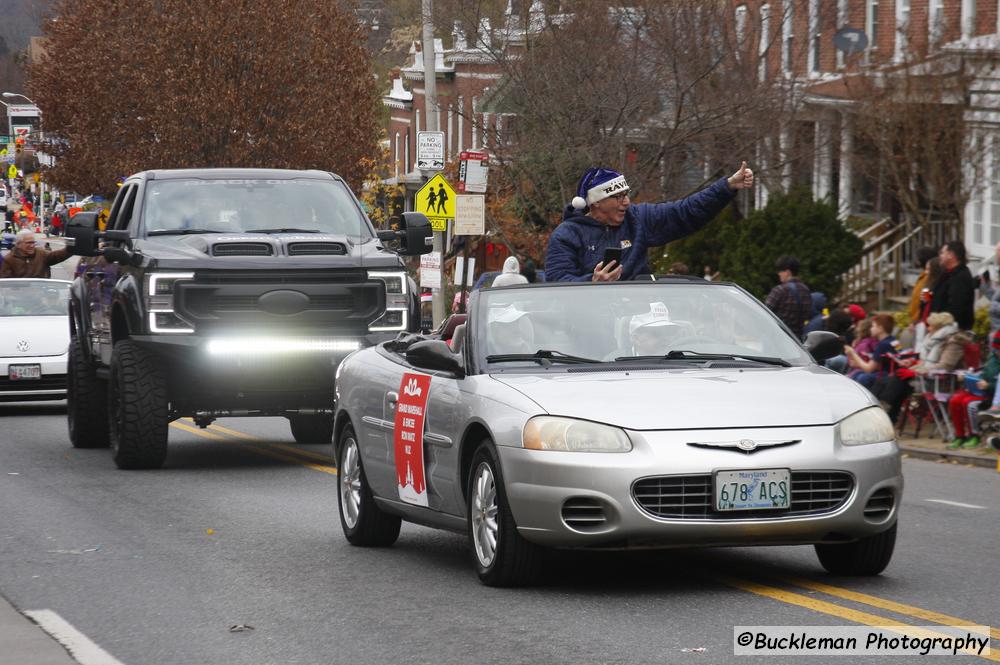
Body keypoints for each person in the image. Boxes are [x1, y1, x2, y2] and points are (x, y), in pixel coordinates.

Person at [545, 162, 753, 282]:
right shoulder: (566, 235)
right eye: (618, 197)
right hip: (588, 326)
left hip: (640, 321)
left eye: (627, 194)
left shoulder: (638, 218)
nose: (626, 202)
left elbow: (687, 211)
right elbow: (556, 285)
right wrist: (591, 282)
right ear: (596, 202)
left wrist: (727, 187)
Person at [946, 330, 1000, 449]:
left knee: (969, 403)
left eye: (999, 350)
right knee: (955, 399)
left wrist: (989, 385)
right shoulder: (993, 357)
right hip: (982, 389)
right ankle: (959, 436)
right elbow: (985, 373)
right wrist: (970, 377)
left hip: (992, 395)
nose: (997, 353)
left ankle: (974, 435)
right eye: (996, 350)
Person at [930, 241, 975, 330]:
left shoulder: (960, 276)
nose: (940, 256)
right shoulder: (945, 273)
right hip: (937, 325)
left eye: (942, 253)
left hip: (950, 329)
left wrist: (942, 323)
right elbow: (935, 295)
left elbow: (956, 306)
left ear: (951, 255)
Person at [843, 313, 897, 389]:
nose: (871, 329)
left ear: (880, 328)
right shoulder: (894, 340)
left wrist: (853, 353)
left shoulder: (882, 345)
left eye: (873, 326)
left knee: (862, 377)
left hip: (885, 375)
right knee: (858, 373)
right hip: (891, 373)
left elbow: (869, 369)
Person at [764, 255, 812, 338]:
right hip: (796, 339)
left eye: (780, 271)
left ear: (788, 272)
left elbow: (764, 312)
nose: (779, 274)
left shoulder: (779, 290)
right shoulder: (806, 290)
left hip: (777, 337)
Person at [0, 229, 70, 278]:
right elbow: (6, 283)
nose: (32, 245)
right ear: (18, 244)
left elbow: (57, 256)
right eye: (28, 243)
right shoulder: (9, 259)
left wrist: (72, 249)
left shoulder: (41, 253)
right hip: (18, 297)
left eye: (33, 242)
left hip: (40, 295)